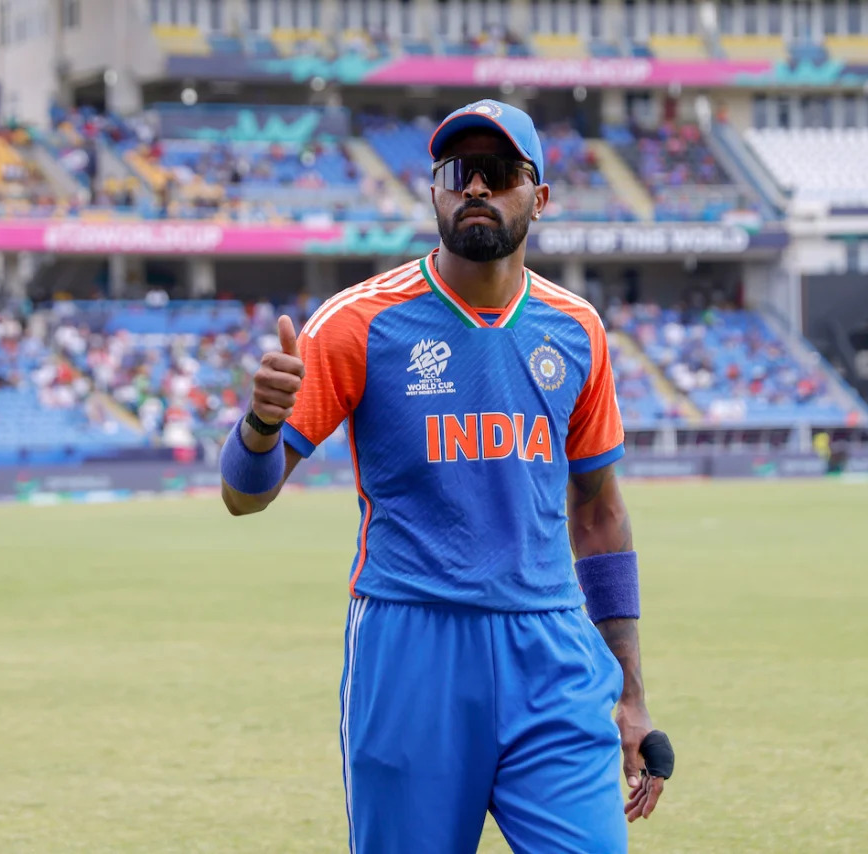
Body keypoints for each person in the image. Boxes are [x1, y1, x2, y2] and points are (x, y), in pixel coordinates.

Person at [220, 99, 672, 853]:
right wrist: (260, 423)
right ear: (434, 192)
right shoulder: (358, 322)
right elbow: (244, 494)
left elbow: (599, 515)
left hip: (551, 649)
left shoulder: (577, 329)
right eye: (459, 173)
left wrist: (630, 695)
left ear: (539, 197)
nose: (476, 190)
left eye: (498, 173)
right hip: (412, 645)